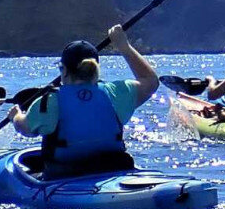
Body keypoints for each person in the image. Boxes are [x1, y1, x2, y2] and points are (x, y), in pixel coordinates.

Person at [12, 25, 160, 178]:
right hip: (114, 169)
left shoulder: (50, 101)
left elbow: (24, 128)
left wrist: (16, 116)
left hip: (65, 175)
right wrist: (124, 47)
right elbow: (150, 81)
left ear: (64, 70)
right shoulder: (116, 93)